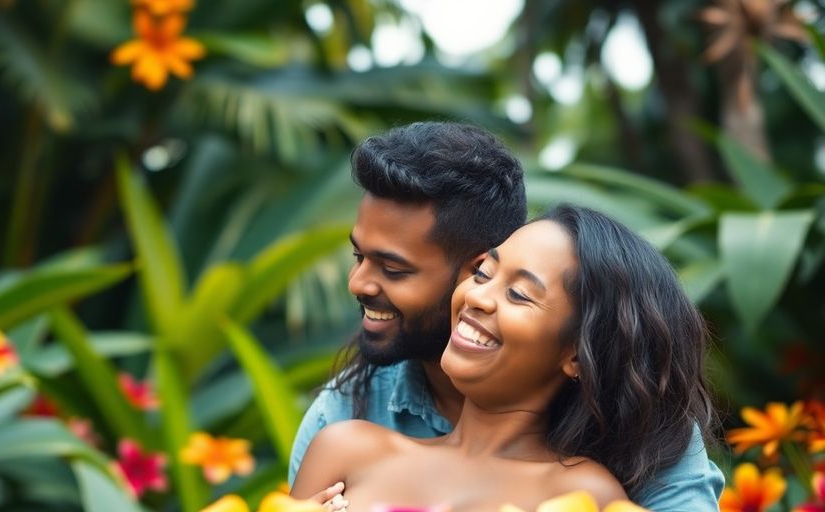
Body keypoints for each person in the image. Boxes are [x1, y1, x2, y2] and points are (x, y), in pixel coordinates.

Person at [287, 122, 724, 510]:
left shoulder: (599, 483)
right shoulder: (344, 433)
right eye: (484, 273)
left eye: (518, 293)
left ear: (577, 353)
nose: (357, 283)